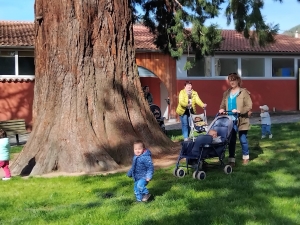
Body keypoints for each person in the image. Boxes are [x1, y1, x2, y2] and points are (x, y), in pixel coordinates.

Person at [219, 73, 252, 166]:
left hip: (241, 120)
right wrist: (222, 109)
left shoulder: (244, 92)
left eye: (234, 80)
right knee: (231, 141)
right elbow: (222, 105)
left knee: (243, 139)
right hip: (229, 121)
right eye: (230, 80)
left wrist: (239, 110)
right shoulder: (226, 93)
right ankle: (231, 160)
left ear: (238, 81)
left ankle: (245, 157)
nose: (232, 82)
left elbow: (249, 106)